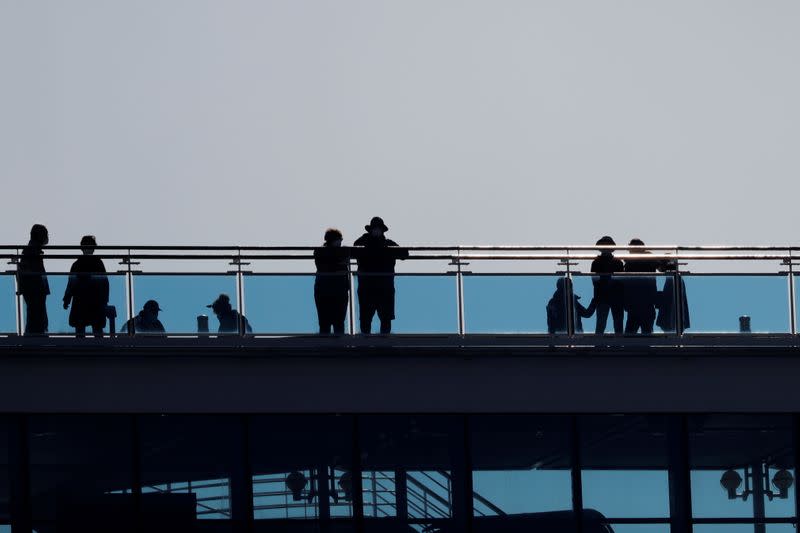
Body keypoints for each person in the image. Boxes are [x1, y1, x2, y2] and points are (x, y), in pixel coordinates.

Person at [352, 217, 408, 334]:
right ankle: (369, 346)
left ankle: (381, 347)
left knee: (383, 320)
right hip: (374, 288)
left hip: (378, 288)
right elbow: (353, 249)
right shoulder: (365, 243)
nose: (376, 231)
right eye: (374, 229)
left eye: (378, 229)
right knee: (367, 321)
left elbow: (404, 253)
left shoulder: (388, 244)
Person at [63, 235, 110, 338]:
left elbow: (71, 283)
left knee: (80, 327)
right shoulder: (98, 263)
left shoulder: (77, 264)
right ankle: (100, 349)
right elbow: (105, 283)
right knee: (97, 328)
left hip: (81, 299)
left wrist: (67, 298)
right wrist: (105, 300)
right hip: (95, 300)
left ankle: (80, 349)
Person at [314, 228, 350, 335]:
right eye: (339, 239)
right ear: (333, 240)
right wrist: (340, 262)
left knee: (330, 323)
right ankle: (336, 348)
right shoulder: (321, 251)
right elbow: (326, 265)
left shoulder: (320, 251)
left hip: (328, 290)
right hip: (331, 291)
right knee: (332, 323)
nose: (341, 242)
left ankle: (328, 347)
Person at [17, 224, 50, 335]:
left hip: (33, 289)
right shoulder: (32, 251)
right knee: (36, 316)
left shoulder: (30, 250)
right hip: (35, 290)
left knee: (34, 316)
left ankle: (33, 341)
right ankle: (35, 341)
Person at [623, 238, 660, 334]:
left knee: (629, 335)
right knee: (647, 333)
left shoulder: (629, 263)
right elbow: (661, 267)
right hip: (647, 301)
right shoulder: (650, 260)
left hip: (634, 302)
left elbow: (626, 283)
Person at [590, 236, 625, 334]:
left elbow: (595, 281)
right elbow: (622, 281)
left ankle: (599, 344)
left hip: (602, 296)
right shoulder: (618, 262)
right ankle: (618, 345)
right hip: (616, 296)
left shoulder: (596, 262)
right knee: (618, 323)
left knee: (601, 323)